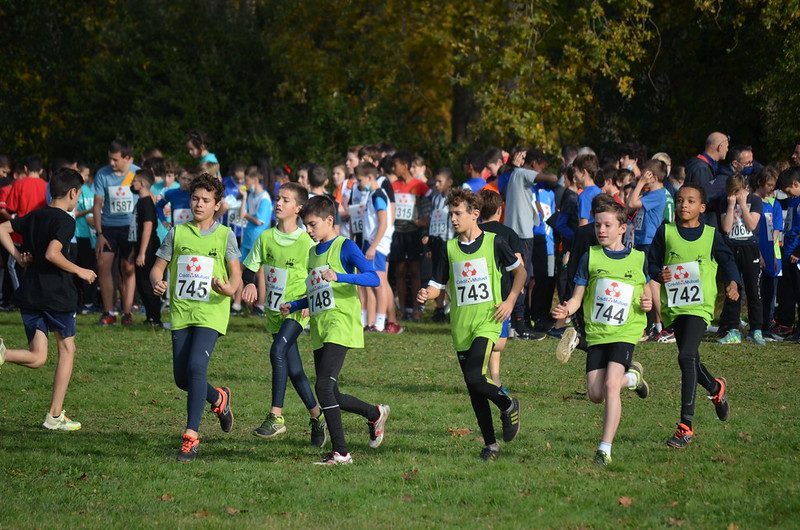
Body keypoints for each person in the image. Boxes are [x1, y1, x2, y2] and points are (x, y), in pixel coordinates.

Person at [281, 196, 389, 465]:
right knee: (331, 392)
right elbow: (316, 292)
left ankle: (341, 451)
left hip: (341, 324)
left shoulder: (346, 246)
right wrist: (294, 304)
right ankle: (373, 413)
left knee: (323, 387)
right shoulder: (312, 252)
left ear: (330, 220)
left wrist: (340, 276)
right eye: (305, 225)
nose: (308, 230)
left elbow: (373, 277)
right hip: (320, 326)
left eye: (312, 224)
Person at [417, 189, 525, 461]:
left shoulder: (495, 242)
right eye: (450, 214)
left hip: (488, 321)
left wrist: (510, 301)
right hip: (461, 326)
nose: (453, 219)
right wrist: (425, 294)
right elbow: (437, 287)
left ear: (475, 214)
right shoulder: (449, 248)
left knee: (475, 377)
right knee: (473, 387)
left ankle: (507, 404)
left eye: (458, 213)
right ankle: (490, 444)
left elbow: (521, 273)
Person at [551, 199, 651, 466]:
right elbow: (576, 297)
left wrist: (648, 303)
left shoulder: (638, 258)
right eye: (597, 225)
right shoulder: (590, 256)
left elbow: (648, 291)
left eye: (607, 225)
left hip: (625, 332)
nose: (601, 230)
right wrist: (567, 310)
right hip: (597, 332)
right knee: (596, 394)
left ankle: (604, 449)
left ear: (622, 228)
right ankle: (634, 378)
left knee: (610, 385)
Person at [150, 173, 241, 462]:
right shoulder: (177, 233)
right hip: (181, 311)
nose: (199, 204)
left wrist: (228, 288)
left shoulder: (225, 235)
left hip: (211, 311)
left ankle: (191, 436)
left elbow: (236, 274)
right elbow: (157, 267)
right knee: (182, 378)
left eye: (205, 200)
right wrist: (157, 281)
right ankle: (218, 398)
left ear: (217, 205)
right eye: (195, 199)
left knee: (197, 365)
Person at [0, 168, 97, 430]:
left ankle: (3, 353)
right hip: (57, 296)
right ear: (74, 193)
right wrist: (81, 271)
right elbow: (53, 253)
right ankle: (54, 416)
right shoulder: (65, 221)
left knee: (38, 356)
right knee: (67, 350)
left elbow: (2, 228)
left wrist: (19, 256)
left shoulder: (34, 215)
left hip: (31, 294)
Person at [648, 184, 740, 448]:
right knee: (691, 359)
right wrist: (658, 274)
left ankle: (685, 426)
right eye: (679, 200)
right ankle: (715, 389)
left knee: (686, 356)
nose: (683, 205)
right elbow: (652, 262)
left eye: (690, 201)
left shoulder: (711, 235)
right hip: (675, 307)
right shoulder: (665, 231)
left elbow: (728, 261)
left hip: (700, 307)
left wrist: (732, 283)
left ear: (702, 207)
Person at [242, 182, 326, 445]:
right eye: (278, 198)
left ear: (298, 208)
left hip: (297, 311)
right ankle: (317, 417)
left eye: (286, 200)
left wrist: (306, 302)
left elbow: (318, 276)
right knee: (294, 370)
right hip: (274, 312)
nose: (279, 203)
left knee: (277, 352)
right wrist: (251, 282)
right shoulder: (265, 237)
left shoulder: (306, 242)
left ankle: (275, 417)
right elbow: (250, 267)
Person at [478, 189, 524, 392]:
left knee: (494, 343)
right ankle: (480, 376)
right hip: (501, 295)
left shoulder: (475, 232)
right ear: (500, 209)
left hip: (480, 292)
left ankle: (494, 381)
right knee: (498, 343)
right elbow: (519, 263)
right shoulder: (509, 233)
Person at [92, 139, 140, 326]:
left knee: (128, 268)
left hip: (131, 227)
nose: (112, 163)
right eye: (110, 159)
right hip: (108, 228)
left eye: (115, 160)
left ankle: (127, 312)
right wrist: (99, 233)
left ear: (127, 158)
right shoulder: (102, 174)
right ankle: (108, 311)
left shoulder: (136, 173)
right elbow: (97, 205)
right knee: (103, 265)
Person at [715, 174, 763, 345]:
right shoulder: (725, 201)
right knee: (733, 289)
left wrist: (743, 205)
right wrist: (730, 206)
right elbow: (726, 228)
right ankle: (733, 328)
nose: (734, 195)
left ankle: (756, 329)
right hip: (731, 248)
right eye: (731, 192)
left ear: (745, 188)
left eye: (738, 192)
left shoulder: (755, 201)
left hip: (749, 248)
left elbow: (752, 225)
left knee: (753, 290)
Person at [627, 159, 671, 342]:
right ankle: (656, 326)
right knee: (648, 284)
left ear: (651, 176)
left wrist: (640, 183)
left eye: (645, 174)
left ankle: (666, 326)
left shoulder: (657, 194)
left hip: (648, 241)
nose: (642, 177)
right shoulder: (656, 194)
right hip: (644, 240)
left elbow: (631, 203)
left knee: (651, 284)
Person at [390, 152, 431, 321]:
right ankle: (403, 309)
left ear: (404, 166)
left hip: (414, 234)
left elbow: (430, 205)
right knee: (399, 271)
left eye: (396, 165)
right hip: (398, 233)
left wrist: (424, 222)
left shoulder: (420, 186)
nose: (393, 168)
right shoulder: (393, 186)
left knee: (415, 271)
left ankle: (416, 309)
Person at [354, 162, 394, 332]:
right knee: (368, 283)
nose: (358, 184)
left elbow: (383, 223)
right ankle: (368, 322)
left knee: (379, 284)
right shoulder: (371, 195)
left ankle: (379, 323)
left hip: (377, 244)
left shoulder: (378, 195)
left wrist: (373, 246)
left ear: (370, 177)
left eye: (360, 180)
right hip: (369, 243)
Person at [753, 168, 783, 341]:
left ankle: (767, 326)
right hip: (756, 250)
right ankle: (756, 326)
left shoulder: (774, 203)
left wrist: (772, 255)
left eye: (773, 185)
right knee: (756, 291)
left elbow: (776, 231)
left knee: (770, 291)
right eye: (769, 185)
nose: (772, 189)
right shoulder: (752, 201)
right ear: (760, 183)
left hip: (772, 253)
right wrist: (759, 254)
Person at [130, 169, 162, 328]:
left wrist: (142, 253)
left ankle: (155, 318)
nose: (132, 183)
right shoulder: (141, 201)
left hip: (149, 248)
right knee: (142, 285)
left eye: (134, 180)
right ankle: (150, 317)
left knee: (147, 283)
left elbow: (148, 226)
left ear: (142, 183)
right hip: (141, 247)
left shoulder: (146, 202)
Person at [239, 167, 273, 315]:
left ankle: (260, 304)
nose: (245, 183)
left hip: (259, 237)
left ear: (255, 180)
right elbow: (242, 213)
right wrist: (245, 198)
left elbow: (260, 221)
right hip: (248, 237)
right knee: (238, 268)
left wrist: (247, 216)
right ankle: (238, 303)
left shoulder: (264, 198)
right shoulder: (251, 194)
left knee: (260, 271)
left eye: (247, 180)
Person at [425, 168, 455, 323]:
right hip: (437, 241)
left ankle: (455, 306)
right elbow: (433, 220)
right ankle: (439, 308)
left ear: (449, 182)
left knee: (451, 276)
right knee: (438, 275)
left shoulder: (454, 199)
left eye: (440, 181)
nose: (436, 184)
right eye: (435, 181)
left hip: (448, 241)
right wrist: (429, 243)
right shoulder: (436, 199)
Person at [775, 168, 800, 340]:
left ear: (796, 184)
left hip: (797, 254)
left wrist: (798, 252)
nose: (788, 195)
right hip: (789, 252)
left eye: (789, 191)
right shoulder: (793, 201)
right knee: (794, 293)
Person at [683, 132, 729, 225]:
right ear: (720, 147)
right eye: (726, 146)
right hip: (703, 224)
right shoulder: (701, 168)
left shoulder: (704, 166)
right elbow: (702, 198)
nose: (727, 150)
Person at [75, 164, 98, 313]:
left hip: (85, 236)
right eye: (84, 174)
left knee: (86, 268)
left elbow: (90, 216)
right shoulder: (78, 191)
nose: (86, 177)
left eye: (87, 175)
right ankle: (81, 302)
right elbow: (80, 213)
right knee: (80, 269)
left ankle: (88, 302)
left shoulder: (87, 191)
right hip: (78, 235)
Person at [574, 153, 602, 226]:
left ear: (583, 172)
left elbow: (583, 225)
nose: (574, 175)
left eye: (575, 171)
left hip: (588, 236)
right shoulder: (600, 191)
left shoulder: (584, 196)